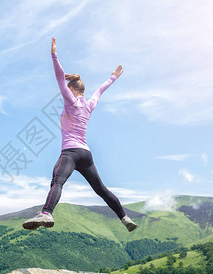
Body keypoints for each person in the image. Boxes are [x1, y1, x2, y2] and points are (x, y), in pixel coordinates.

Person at [22, 37, 138, 232]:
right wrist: (113, 77)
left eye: (68, 88)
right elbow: (100, 90)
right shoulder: (89, 104)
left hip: (71, 152)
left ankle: (46, 213)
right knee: (101, 189)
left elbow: (59, 77)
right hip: (86, 155)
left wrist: (54, 55)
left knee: (57, 181)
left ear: (73, 89)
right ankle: (125, 217)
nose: (66, 90)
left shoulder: (71, 101)